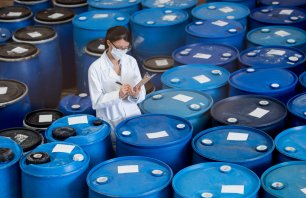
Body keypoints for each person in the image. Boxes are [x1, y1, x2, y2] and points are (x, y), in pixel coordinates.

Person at [88, 26, 146, 130]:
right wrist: (118, 95)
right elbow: (96, 102)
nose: (122, 51)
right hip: (110, 120)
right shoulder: (95, 68)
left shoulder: (131, 61)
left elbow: (140, 94)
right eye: (119, 48)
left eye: (126, 48)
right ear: (109, 43)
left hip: (132, 116)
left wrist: (135, 95)